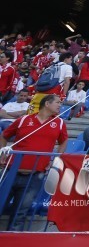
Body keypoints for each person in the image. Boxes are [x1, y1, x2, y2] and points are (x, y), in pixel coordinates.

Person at [0, 94, 67, 230]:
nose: (60, 105)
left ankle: (13, 240)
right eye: (58, 102)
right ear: (47, 104)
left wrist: (55, 158)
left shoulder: (59, 123)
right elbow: (5, 135)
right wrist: (2, 153)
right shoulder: (24, 119)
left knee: (21, 211)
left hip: (35, 175)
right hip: (11, 170)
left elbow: (63, 141)